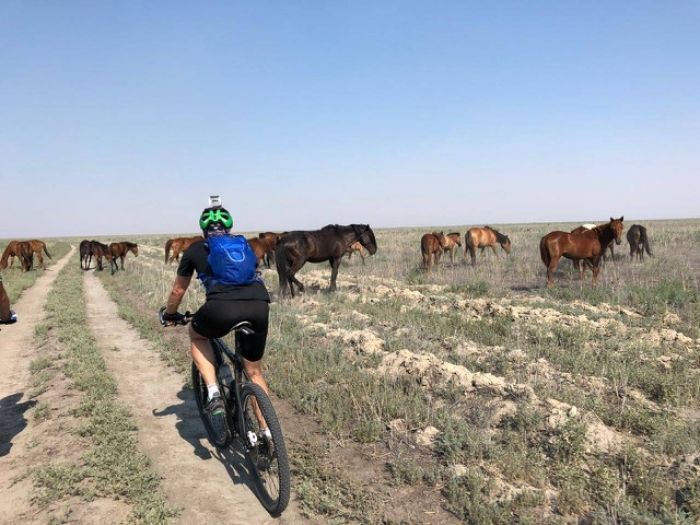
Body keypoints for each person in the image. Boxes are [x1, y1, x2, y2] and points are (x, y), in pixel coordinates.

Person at [161, 204, 271, 446]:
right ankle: (268, 432)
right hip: (259, 305)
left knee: (198, 336)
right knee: (253, 371)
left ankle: (213, 393)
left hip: (221, 308)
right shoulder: (244, 247)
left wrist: (170, 314)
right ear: (229, 227)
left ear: (203, 230)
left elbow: (178, 290)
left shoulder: (195, 249)